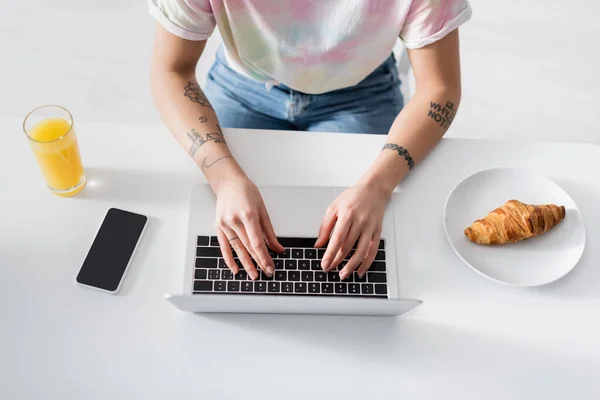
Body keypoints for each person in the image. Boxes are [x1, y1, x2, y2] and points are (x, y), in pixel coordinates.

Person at [149, 0, 471, 282]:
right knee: (218, 229)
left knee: (363, 236)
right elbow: (172, 71)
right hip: (244, 84)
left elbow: (438, 88)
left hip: (361, 92)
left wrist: (376, 187)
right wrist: (225, 180)